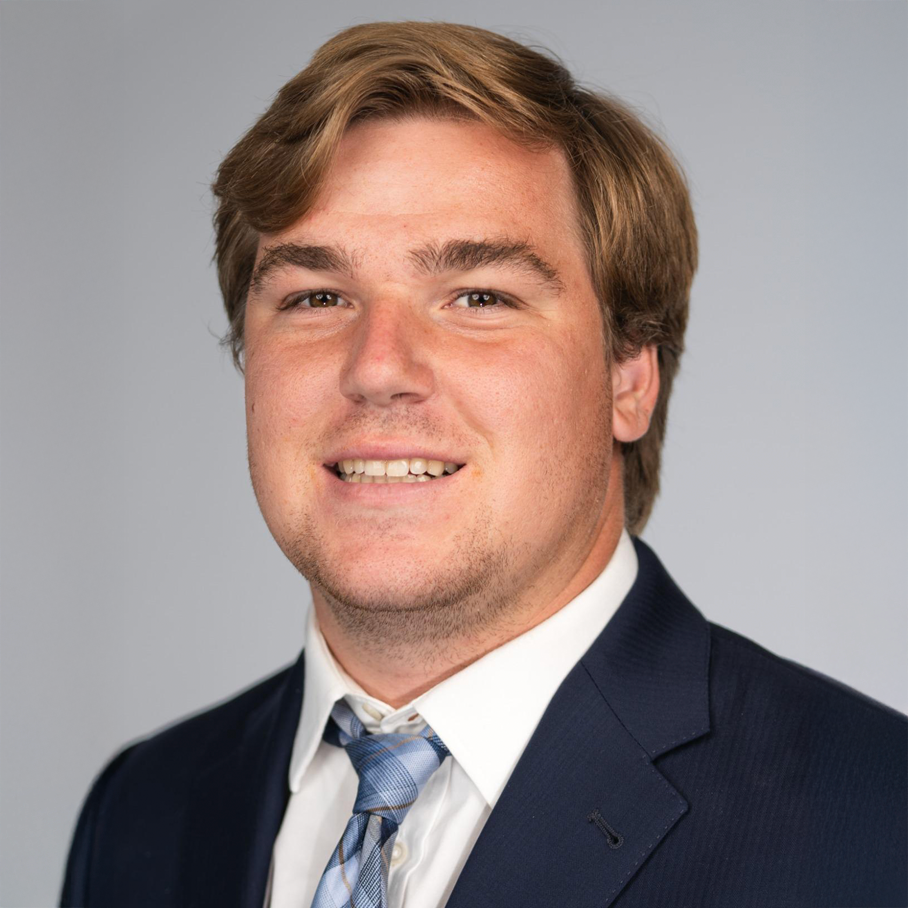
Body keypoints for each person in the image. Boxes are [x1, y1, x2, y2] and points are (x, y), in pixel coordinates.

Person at [60, 20, 908, 908]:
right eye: (317, 296)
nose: (377, 366)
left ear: (630, 375)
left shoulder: (876, 824)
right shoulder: (144, 812)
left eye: (478, 297)